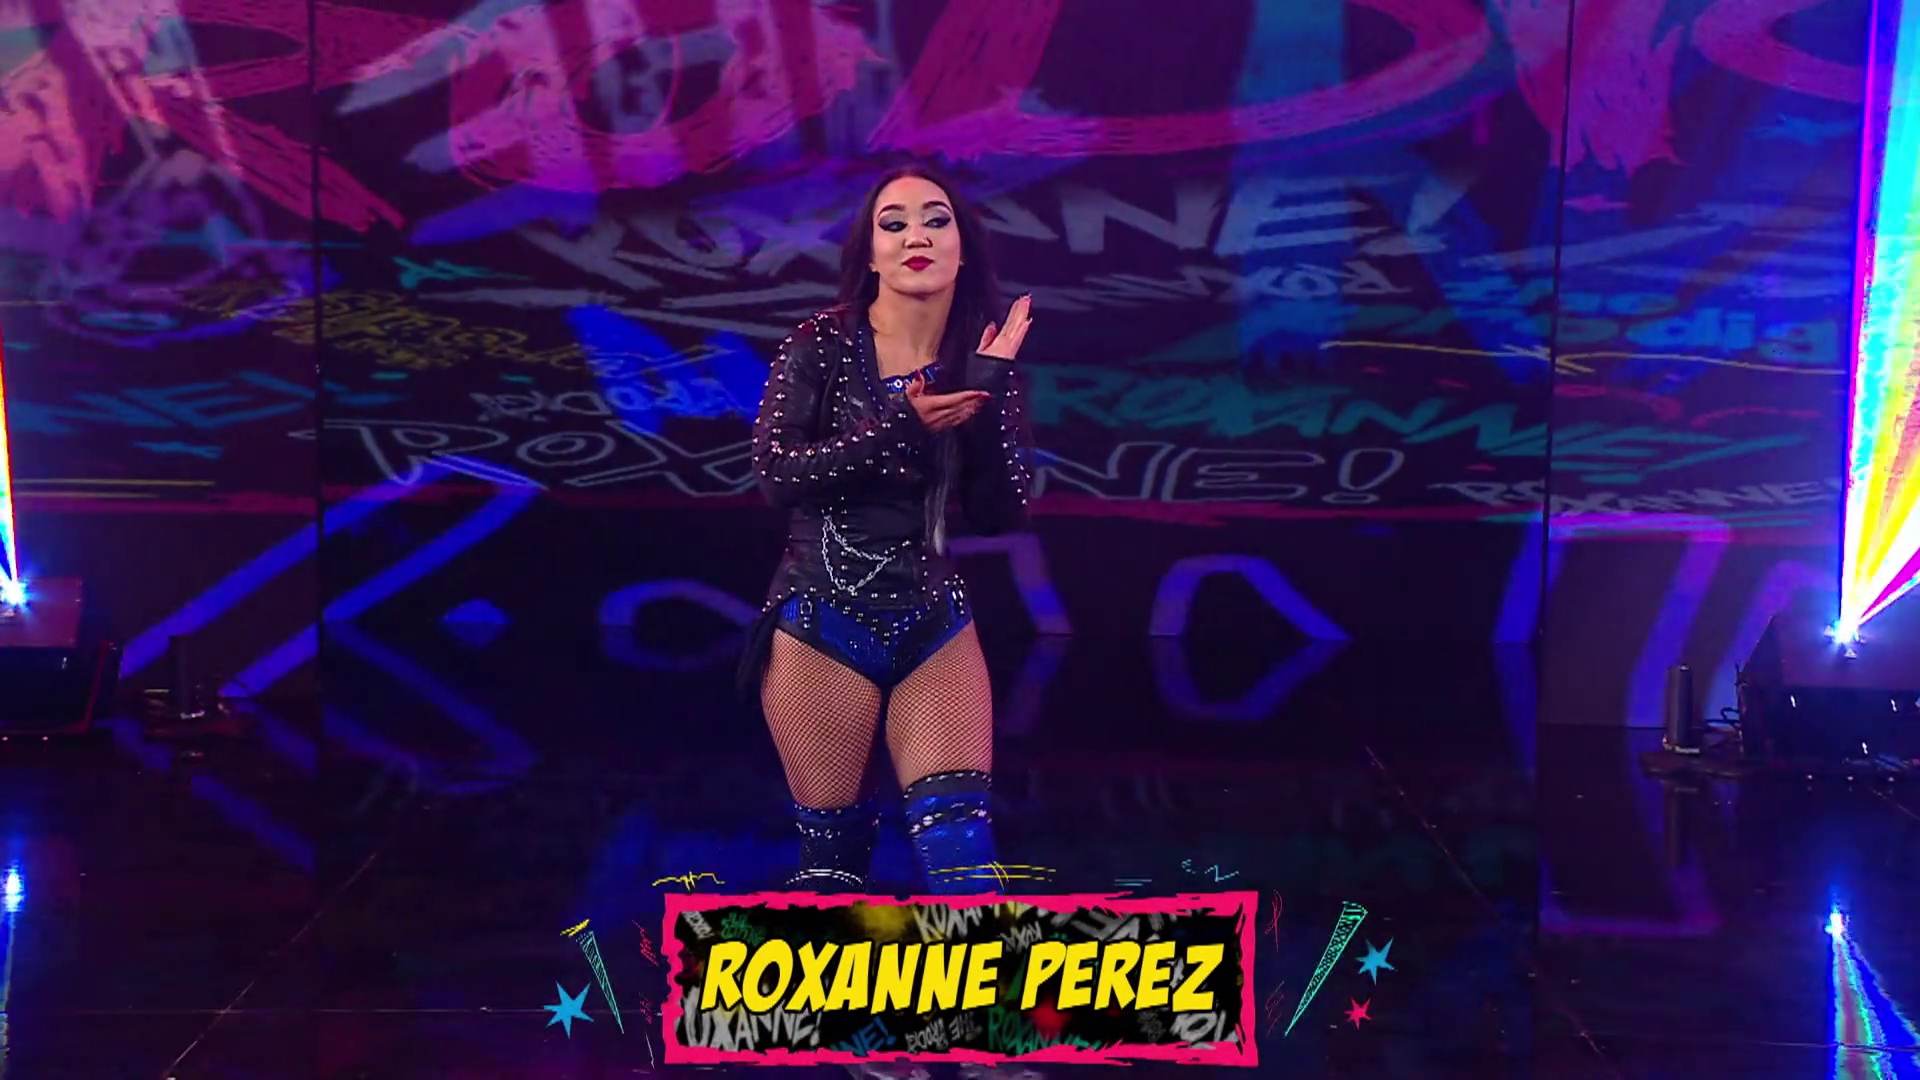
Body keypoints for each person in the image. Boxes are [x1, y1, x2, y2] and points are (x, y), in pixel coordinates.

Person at [737, 164, 1034, 894]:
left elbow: (999, 513)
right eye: (893, 225)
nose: (915, 238)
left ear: (962, 248)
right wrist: (901, 425)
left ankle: (985, 977)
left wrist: (986, 392)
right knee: (834, 869)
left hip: (933, 621)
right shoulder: (821, 344)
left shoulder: (981, 355)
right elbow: (776, 475)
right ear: (870, 254)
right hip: (822, 622)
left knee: (963, 857)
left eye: (936, 221)